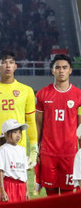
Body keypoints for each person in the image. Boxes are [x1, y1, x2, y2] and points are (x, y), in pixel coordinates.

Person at [0, 50, 37, 203]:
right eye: (4, 62)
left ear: (16, 66)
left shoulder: (26, 91)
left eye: (11, 62)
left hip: (19, 147)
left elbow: (30, 121)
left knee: (17, 187)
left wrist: (34, 147)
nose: (7, 65)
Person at [35, 53, 81, 196]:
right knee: (51, 194)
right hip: (48, 152)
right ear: (52, 70)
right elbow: (38, 124)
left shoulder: (78, 95)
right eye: (58, 68)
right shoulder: (43, 94)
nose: (61, 71)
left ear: (70, 71)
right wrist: (36, 147)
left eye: (64, 67)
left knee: (68, 193)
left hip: (70, 152)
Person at [0, 119, 30, 203]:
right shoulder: (3, 149)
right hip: (9, 185)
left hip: (21, 187)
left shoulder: (22, 150)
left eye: (19, 132)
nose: (18, 135)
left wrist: (27, 190)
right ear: (6, 134)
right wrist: (2, 190)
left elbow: (24, 172)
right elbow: (0, 171)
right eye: (15, 132)